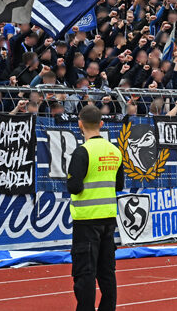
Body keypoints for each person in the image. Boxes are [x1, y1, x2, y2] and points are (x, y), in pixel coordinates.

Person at [67, 105, 124, 311]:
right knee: (107, 271)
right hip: (108, 218)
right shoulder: (115, 151)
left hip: (86, 220)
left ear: (80, 124)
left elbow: (74, 186)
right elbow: (119, 185)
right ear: (101, 124)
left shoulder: (82, 152)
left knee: (85, 273)